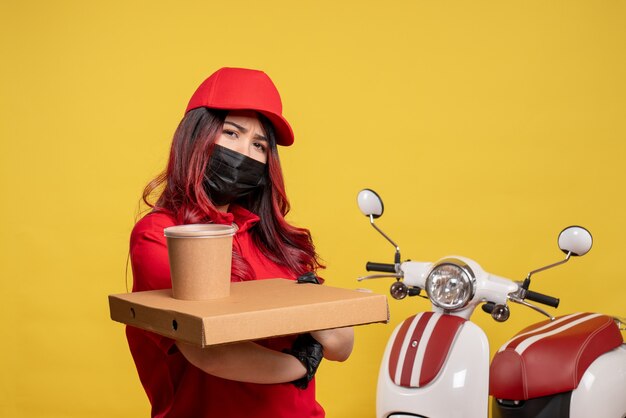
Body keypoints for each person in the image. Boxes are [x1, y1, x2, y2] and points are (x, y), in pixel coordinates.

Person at [126, 67, 354, 418]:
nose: (245, 152)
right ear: (196, 136)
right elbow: (210, 348)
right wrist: (302, 362)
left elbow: (341, 344)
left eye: (259, 145)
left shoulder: (276, 241)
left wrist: (313, 317)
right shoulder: (160, 236)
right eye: (231, 133)